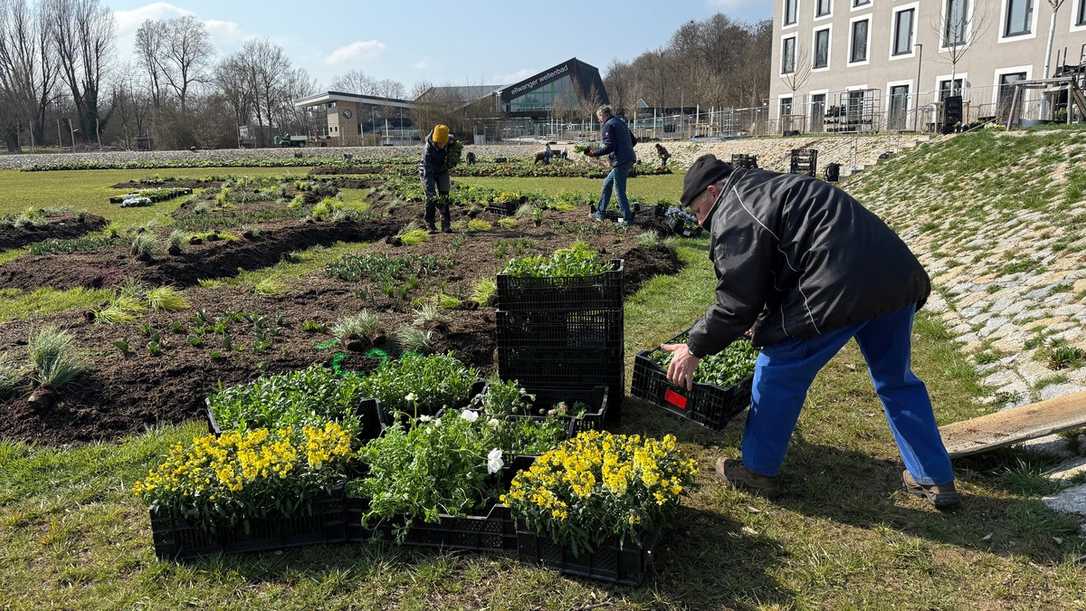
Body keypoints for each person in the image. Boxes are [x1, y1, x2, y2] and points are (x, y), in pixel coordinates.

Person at [662, 154, 960, 510]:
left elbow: (736, 302)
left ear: (712, 191)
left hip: (841, 287)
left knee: (776, 372)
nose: (700, 222)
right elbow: (789, 261)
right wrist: (763, 320)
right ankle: (933, 475)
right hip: (895, 278)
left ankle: (757, 471)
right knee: (896, 380)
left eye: (698, 211)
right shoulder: (767, 185)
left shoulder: (734, 212)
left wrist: (694, 348)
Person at [584, 105, 636, 225]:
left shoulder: (608, 125)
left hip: (621, 161)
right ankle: (600, 213)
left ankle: (627, 219)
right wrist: (624, 150)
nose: (599, 120)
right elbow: (634, 141)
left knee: (619, 190)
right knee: (607, 183)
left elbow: (609, 146)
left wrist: (593, 154)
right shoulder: (620, 122)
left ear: (603, 115)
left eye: (599, 117)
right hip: (628, 158)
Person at [419, 124, 456, 233]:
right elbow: (427, 174)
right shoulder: (428, 151)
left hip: (442, 170)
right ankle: (429, 223)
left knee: (444, 195)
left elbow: (454, 141)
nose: (442, 145)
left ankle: (446, 224)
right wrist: (431, 193)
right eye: (439, 143)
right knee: (431, 197)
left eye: (443, 143)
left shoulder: (447, 140)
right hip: (427, 171)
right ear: (435, 141)